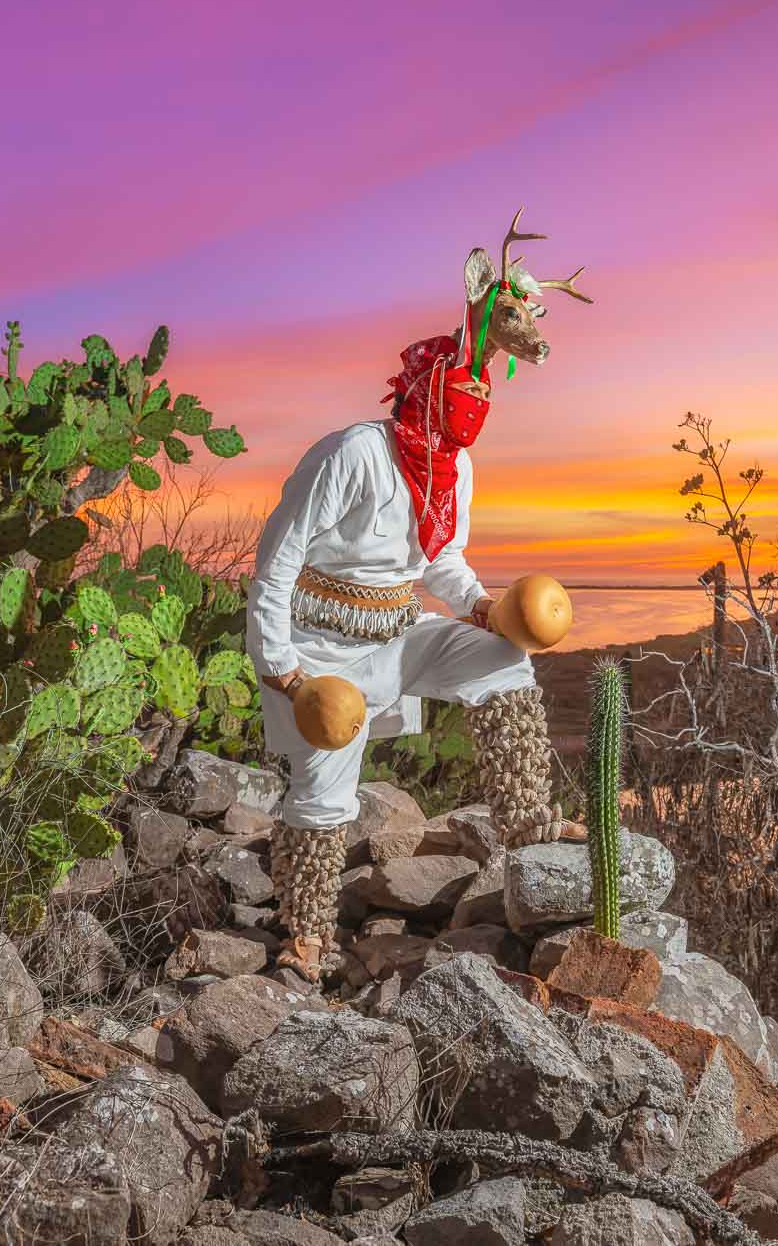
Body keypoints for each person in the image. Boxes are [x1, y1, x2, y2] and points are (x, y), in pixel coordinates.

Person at [246, 213, 592, 981]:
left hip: (398, 636)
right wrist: (283, 668)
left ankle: (527, 818)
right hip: (321, 654)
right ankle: (306, 932)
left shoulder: (453, 471)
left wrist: (477, 607)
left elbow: (440, 557)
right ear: (424, 391)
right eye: (454, 400)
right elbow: (277, 561)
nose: (463, 421)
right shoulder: (354, 454)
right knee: (322, 795)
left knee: (504, 655)